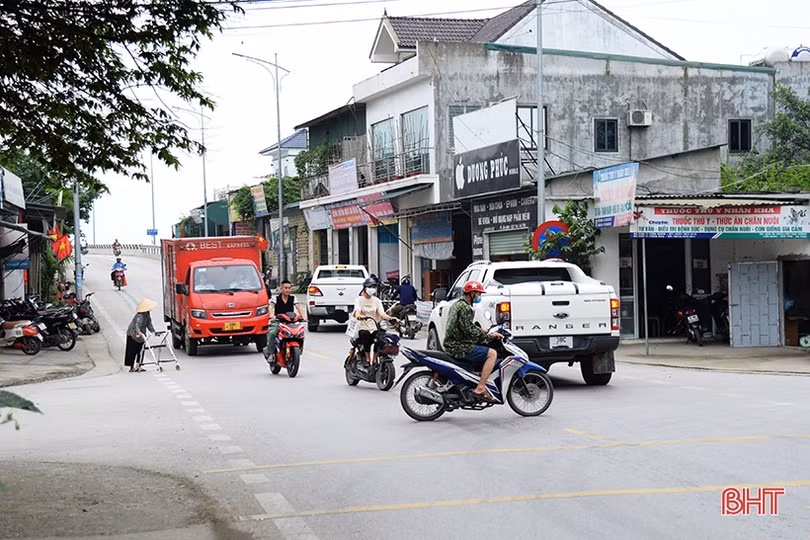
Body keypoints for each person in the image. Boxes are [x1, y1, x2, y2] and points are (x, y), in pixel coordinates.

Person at [443, 280, 504, 403]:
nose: (479, 296)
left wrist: (483, 331)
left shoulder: (458, 305)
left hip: (453, 343)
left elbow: (467, 327)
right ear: (472, 294)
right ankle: (480, 387)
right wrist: (490, 336)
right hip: (458, 346)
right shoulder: (465, 308)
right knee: (492, 353)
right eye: (479, 294)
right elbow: (469, 331)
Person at [352, 278, 397, 365]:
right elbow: (357, 310)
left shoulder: (377, 301)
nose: (372, 289)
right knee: (366, 336)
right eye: (370, 287)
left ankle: (375, 359)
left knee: (381, 338)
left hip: (375, 326)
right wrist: (359, 316)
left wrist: (391, 318)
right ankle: (368, 359)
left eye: (374, 287)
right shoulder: (359, 300)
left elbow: (382, 314)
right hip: (363, 326)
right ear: (365, 288)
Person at [263, 280, 307, 360]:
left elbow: (298, 307)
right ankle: (271, 353)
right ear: (281, 289)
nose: (288, 290)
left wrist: (303, 317)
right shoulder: (275, 298)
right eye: (286, 288)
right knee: (272, 333)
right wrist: (272, 315)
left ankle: (298, 350)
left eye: (289, 288)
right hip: (278, 322)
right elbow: (271, 306)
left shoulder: (293, 298)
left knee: (300, 332)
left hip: (290, 322)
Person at [125, 298, 157, 372]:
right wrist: (139, 332)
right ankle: (131, 367)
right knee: (132, 351)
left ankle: (138, 365)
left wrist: (154, 332)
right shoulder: (140, 316)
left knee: (141, 350)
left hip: (141, 335)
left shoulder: (147, 315)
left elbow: (149, 325)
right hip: (133, 334)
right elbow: (137, 325)